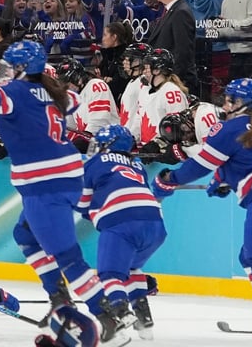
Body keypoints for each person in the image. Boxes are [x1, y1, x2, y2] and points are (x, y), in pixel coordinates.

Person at [0, 40, 130, 343]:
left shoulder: (17, 92)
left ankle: (109, 317)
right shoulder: (55, 92)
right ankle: (60, 300)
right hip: (66, 176)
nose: (5, 71)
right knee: (25, 235)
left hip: (45, 184)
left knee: (67, 255)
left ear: (22, 68)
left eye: (11, 65)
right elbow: (69, 103)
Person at [153, 79, 252, 340]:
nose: (226, 104)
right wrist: (223, 179)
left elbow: (199, 166)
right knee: (248, 257)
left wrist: (168, 180)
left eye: (231, 100)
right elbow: (250, 162)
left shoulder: (229, 128)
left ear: (243, 104)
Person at [79, 125, 167, 341]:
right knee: (132, 267)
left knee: (110, 274)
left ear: (107, 145)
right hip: (156, 224)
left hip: (121, 222)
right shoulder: (138, 166)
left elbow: (82, 203)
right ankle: (144, 319)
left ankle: (121, 311)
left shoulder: (94, 163)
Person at [146, 0, 198, 93]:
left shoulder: (181, 12)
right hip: (164, 80)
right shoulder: (172, 10)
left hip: (176, 83)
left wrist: (171, 82)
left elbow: (182, 52)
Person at [133, 48, 189, 145]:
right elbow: (139, 120)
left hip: (164, 150)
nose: (144, 72)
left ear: (157, 70)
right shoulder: (145, 90)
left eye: (147, 68)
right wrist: (132, 137)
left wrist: (159, 145)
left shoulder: (172, 92)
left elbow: (178, 128)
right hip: (145, 149)